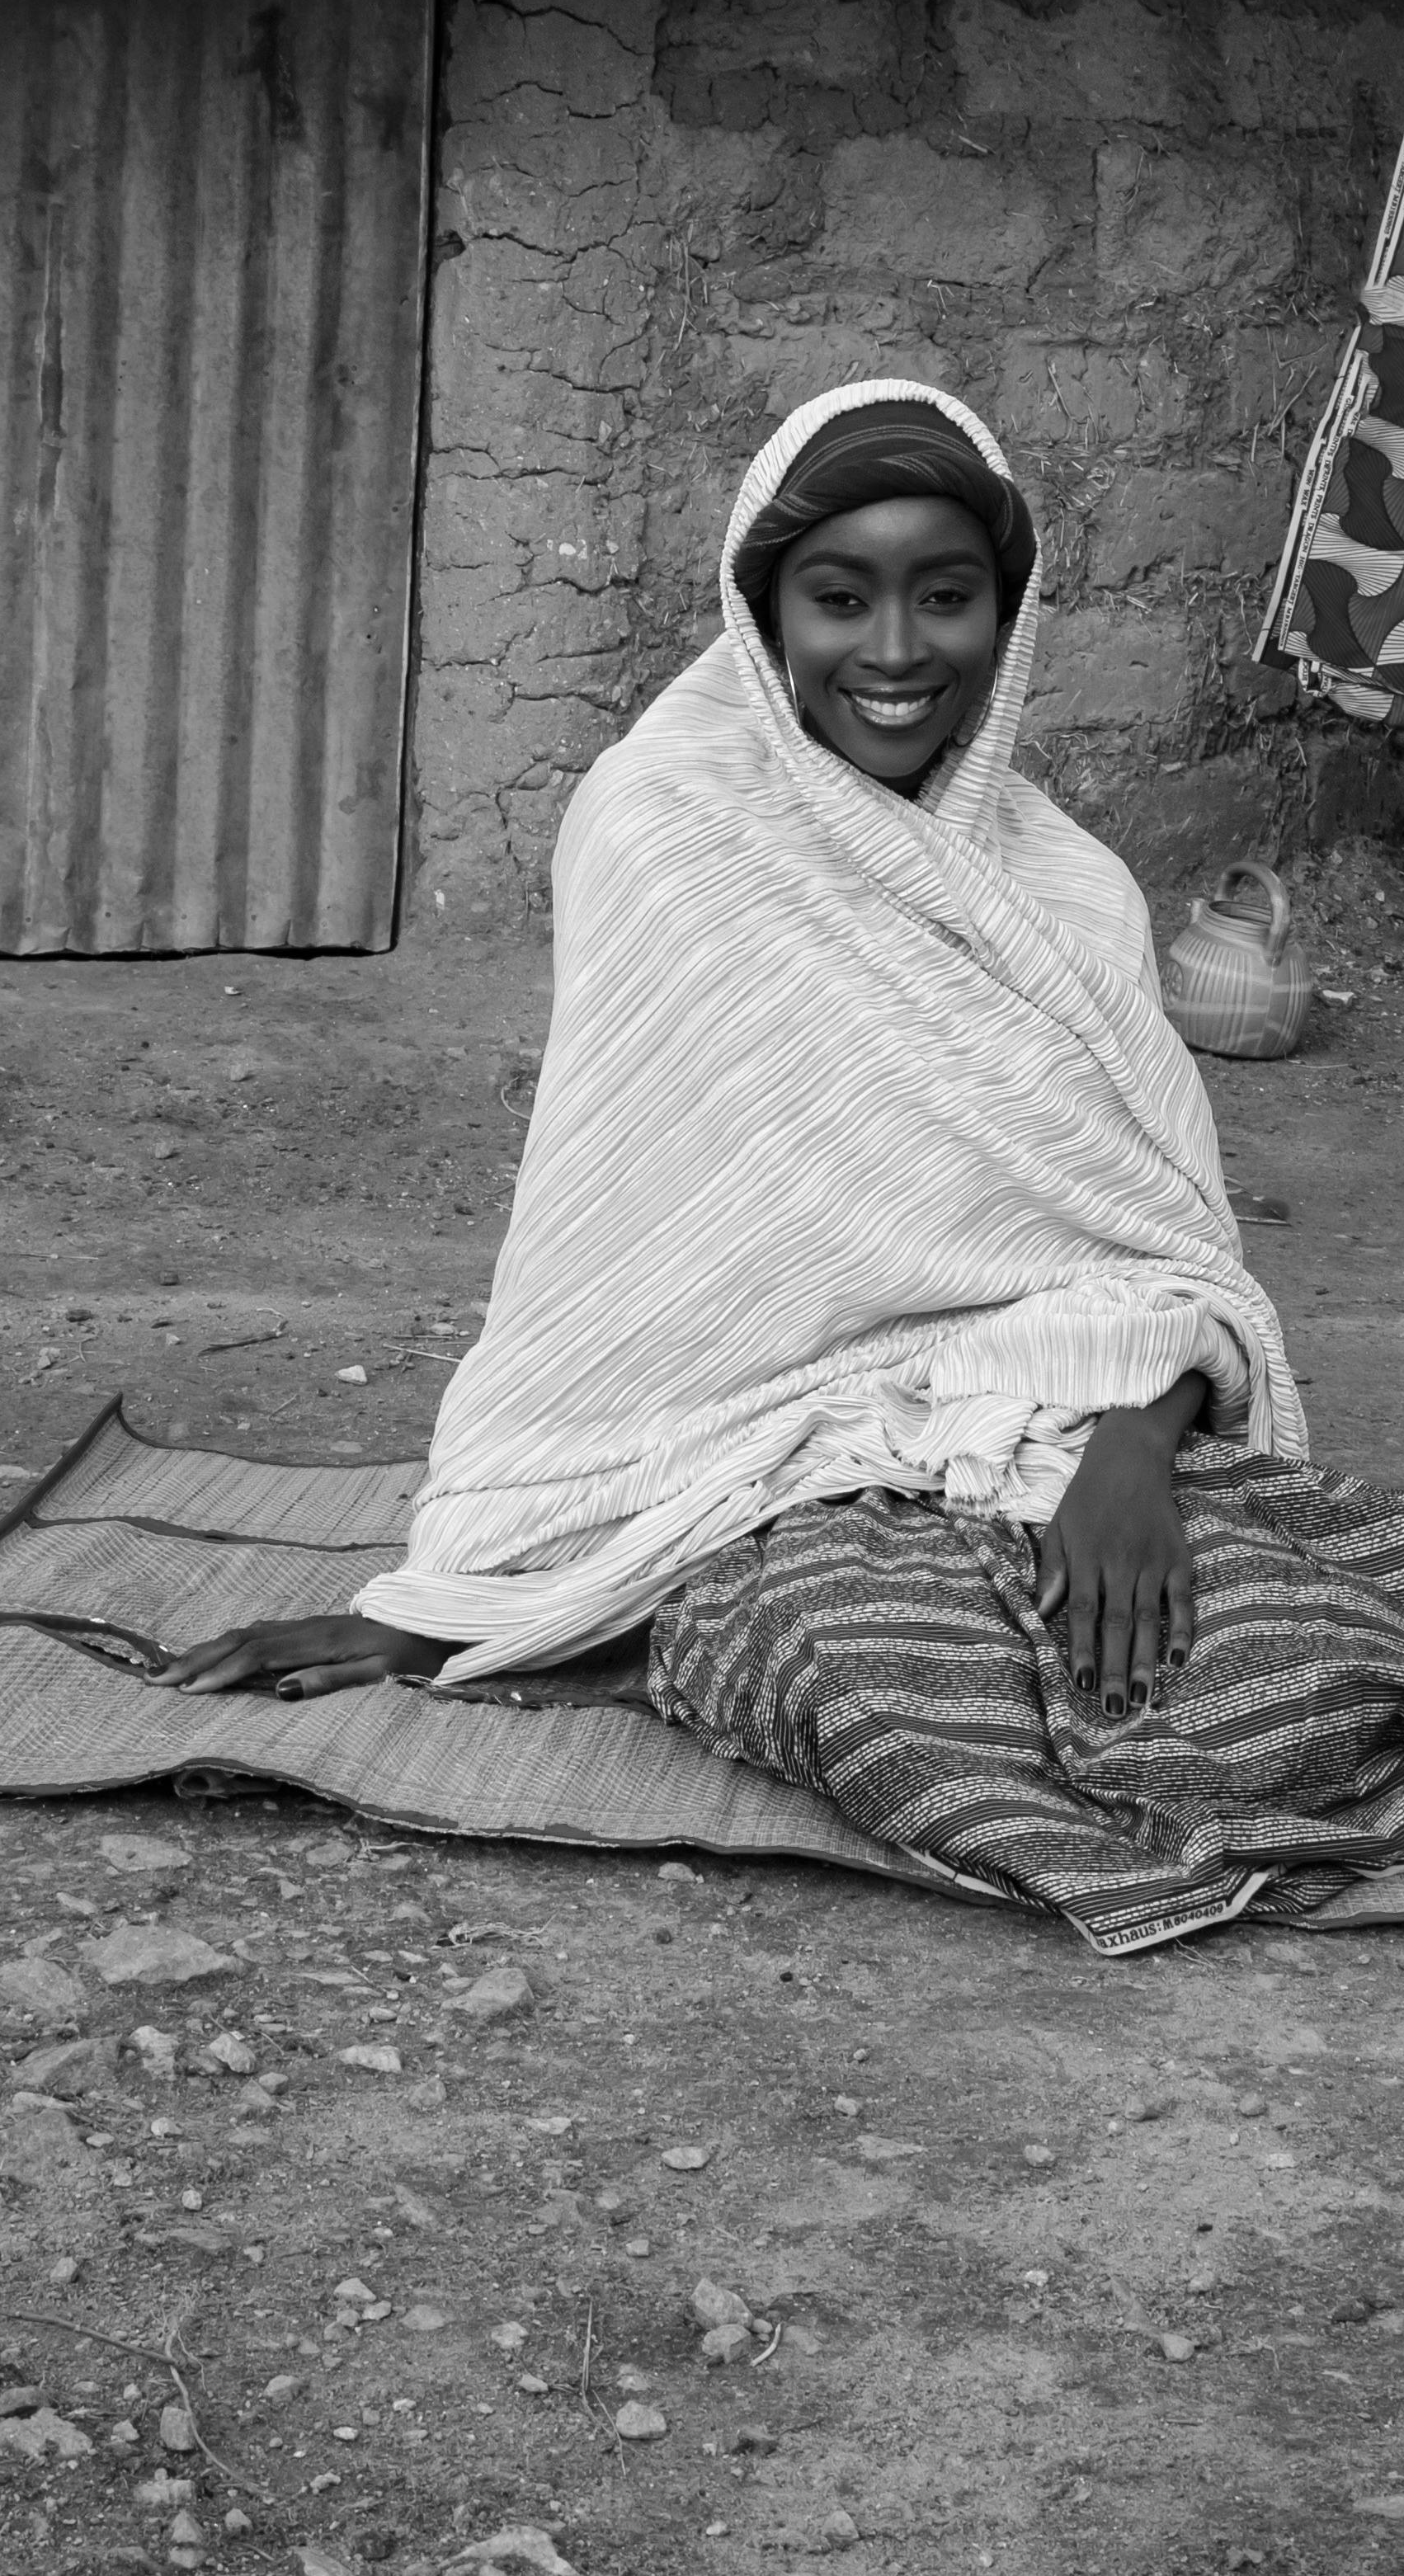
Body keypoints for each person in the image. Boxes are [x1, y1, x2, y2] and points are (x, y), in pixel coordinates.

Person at [164, 377, 1298, 1712]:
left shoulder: (1071, 896)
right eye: (838, 596)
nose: (893, 650)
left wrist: (1131, 1449)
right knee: (890, 1674)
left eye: (945, 595)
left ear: (1011, 612)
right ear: (763, 617)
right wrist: (486, 1606)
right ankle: (632, 1611)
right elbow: (611, 1295)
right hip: (714, 1460)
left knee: (1226, 1649)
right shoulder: (664, 830)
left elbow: (1169, 1270)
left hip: (1030, 1423)